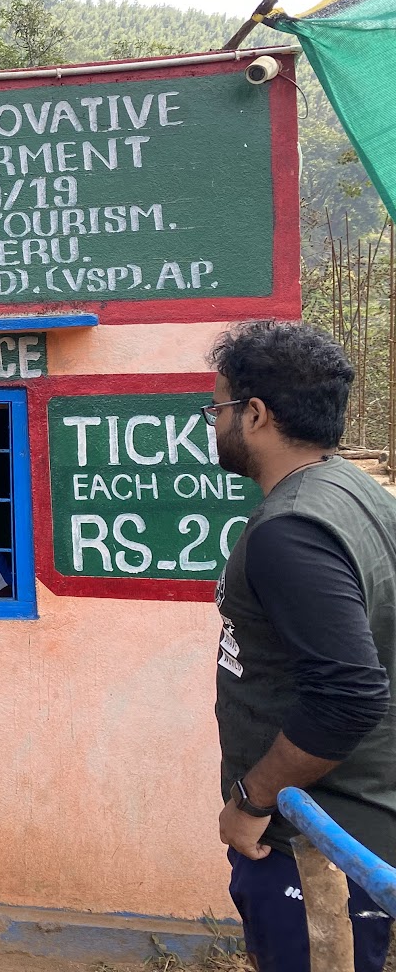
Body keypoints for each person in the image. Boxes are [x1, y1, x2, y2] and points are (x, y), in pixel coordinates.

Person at [207, 320, 396, 972]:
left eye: (218, 408)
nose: (214, 423)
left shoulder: (291, 530)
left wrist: (252, 800)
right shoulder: (355, 492)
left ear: (255, 414)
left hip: (317, 849)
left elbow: (348, 696)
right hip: (354, 823)